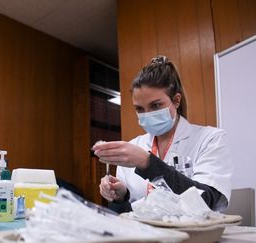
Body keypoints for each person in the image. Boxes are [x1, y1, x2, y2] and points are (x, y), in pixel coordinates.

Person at [92, 56, 232, 213]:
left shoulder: (210, 139)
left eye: (156, 105)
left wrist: (147, 163)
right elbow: (126, 218)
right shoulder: (132, 148)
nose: (147, 114)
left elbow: (209, 202)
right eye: (139, 109)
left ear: (176, 100)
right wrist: (120, 197)